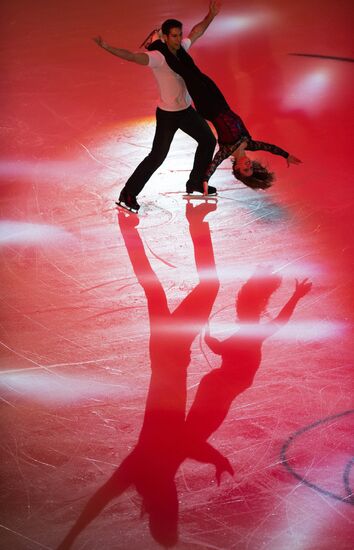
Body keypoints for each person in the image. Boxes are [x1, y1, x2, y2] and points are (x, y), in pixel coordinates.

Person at [93, 1, 222, 212]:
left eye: (179, 35)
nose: (178, 39)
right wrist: (107, 47)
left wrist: (211, 15)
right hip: (168, 115)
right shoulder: (158, 57)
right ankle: (128, 193)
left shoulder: (182, 50)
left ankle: (196, 182)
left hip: (186, 111)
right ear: (164, 36)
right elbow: (133, 56)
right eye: (174, 35)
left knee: (208, 140)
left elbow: (197, 31)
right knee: (157, 156)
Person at [147, 24, 302, 191]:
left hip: (208, 106)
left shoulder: (226, 150)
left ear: (236, 169)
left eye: (245, 169)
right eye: (251, 168)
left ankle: (156, 45)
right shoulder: (249, 144)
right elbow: (270, 147)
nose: (248, 165)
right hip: (220, 101)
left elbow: (213, 165)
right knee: (191, 68)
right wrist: (287, 155)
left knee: (184, 71)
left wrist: (205, 181)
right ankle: (163, 44)